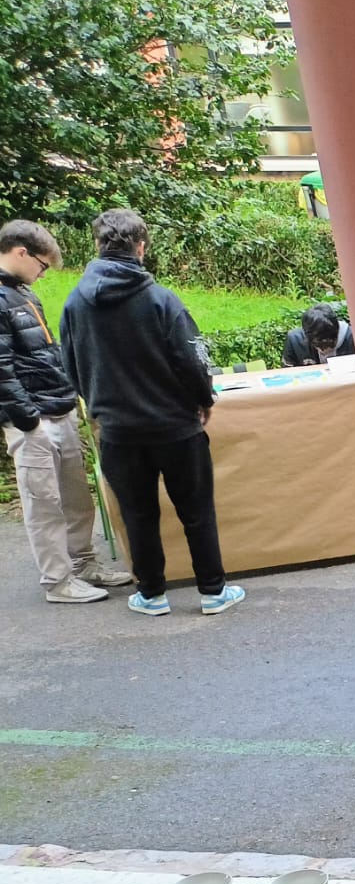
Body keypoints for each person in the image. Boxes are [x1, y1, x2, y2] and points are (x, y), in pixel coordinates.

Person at [59, 209, 242, 617]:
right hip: (176, 427)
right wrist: (204, 400)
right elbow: (193, 358)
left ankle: (152, 594)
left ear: (97, 246)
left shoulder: (75, 303)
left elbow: (68, 362)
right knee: (196, 511)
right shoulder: (160, 299)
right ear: (141, 248)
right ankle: (213, 592)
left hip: (119, 431)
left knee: (138, 515)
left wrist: (92, 402)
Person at [0, 220, 132, 603]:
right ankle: (58, 581)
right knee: (44, 504)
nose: (43, 274)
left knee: (76, 498)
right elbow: (2, 368)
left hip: (58, 408)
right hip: (33, 420)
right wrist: (28, 420)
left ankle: (83, 564)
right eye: (42, 265)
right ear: (21, 252)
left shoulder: (23, 293)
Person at [280, 302, 355, 368]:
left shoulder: (354, 339)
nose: (324, 350)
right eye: (318, 344)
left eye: (329, 343)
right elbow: (287, 373)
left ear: (337, 332)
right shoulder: (295, 340)